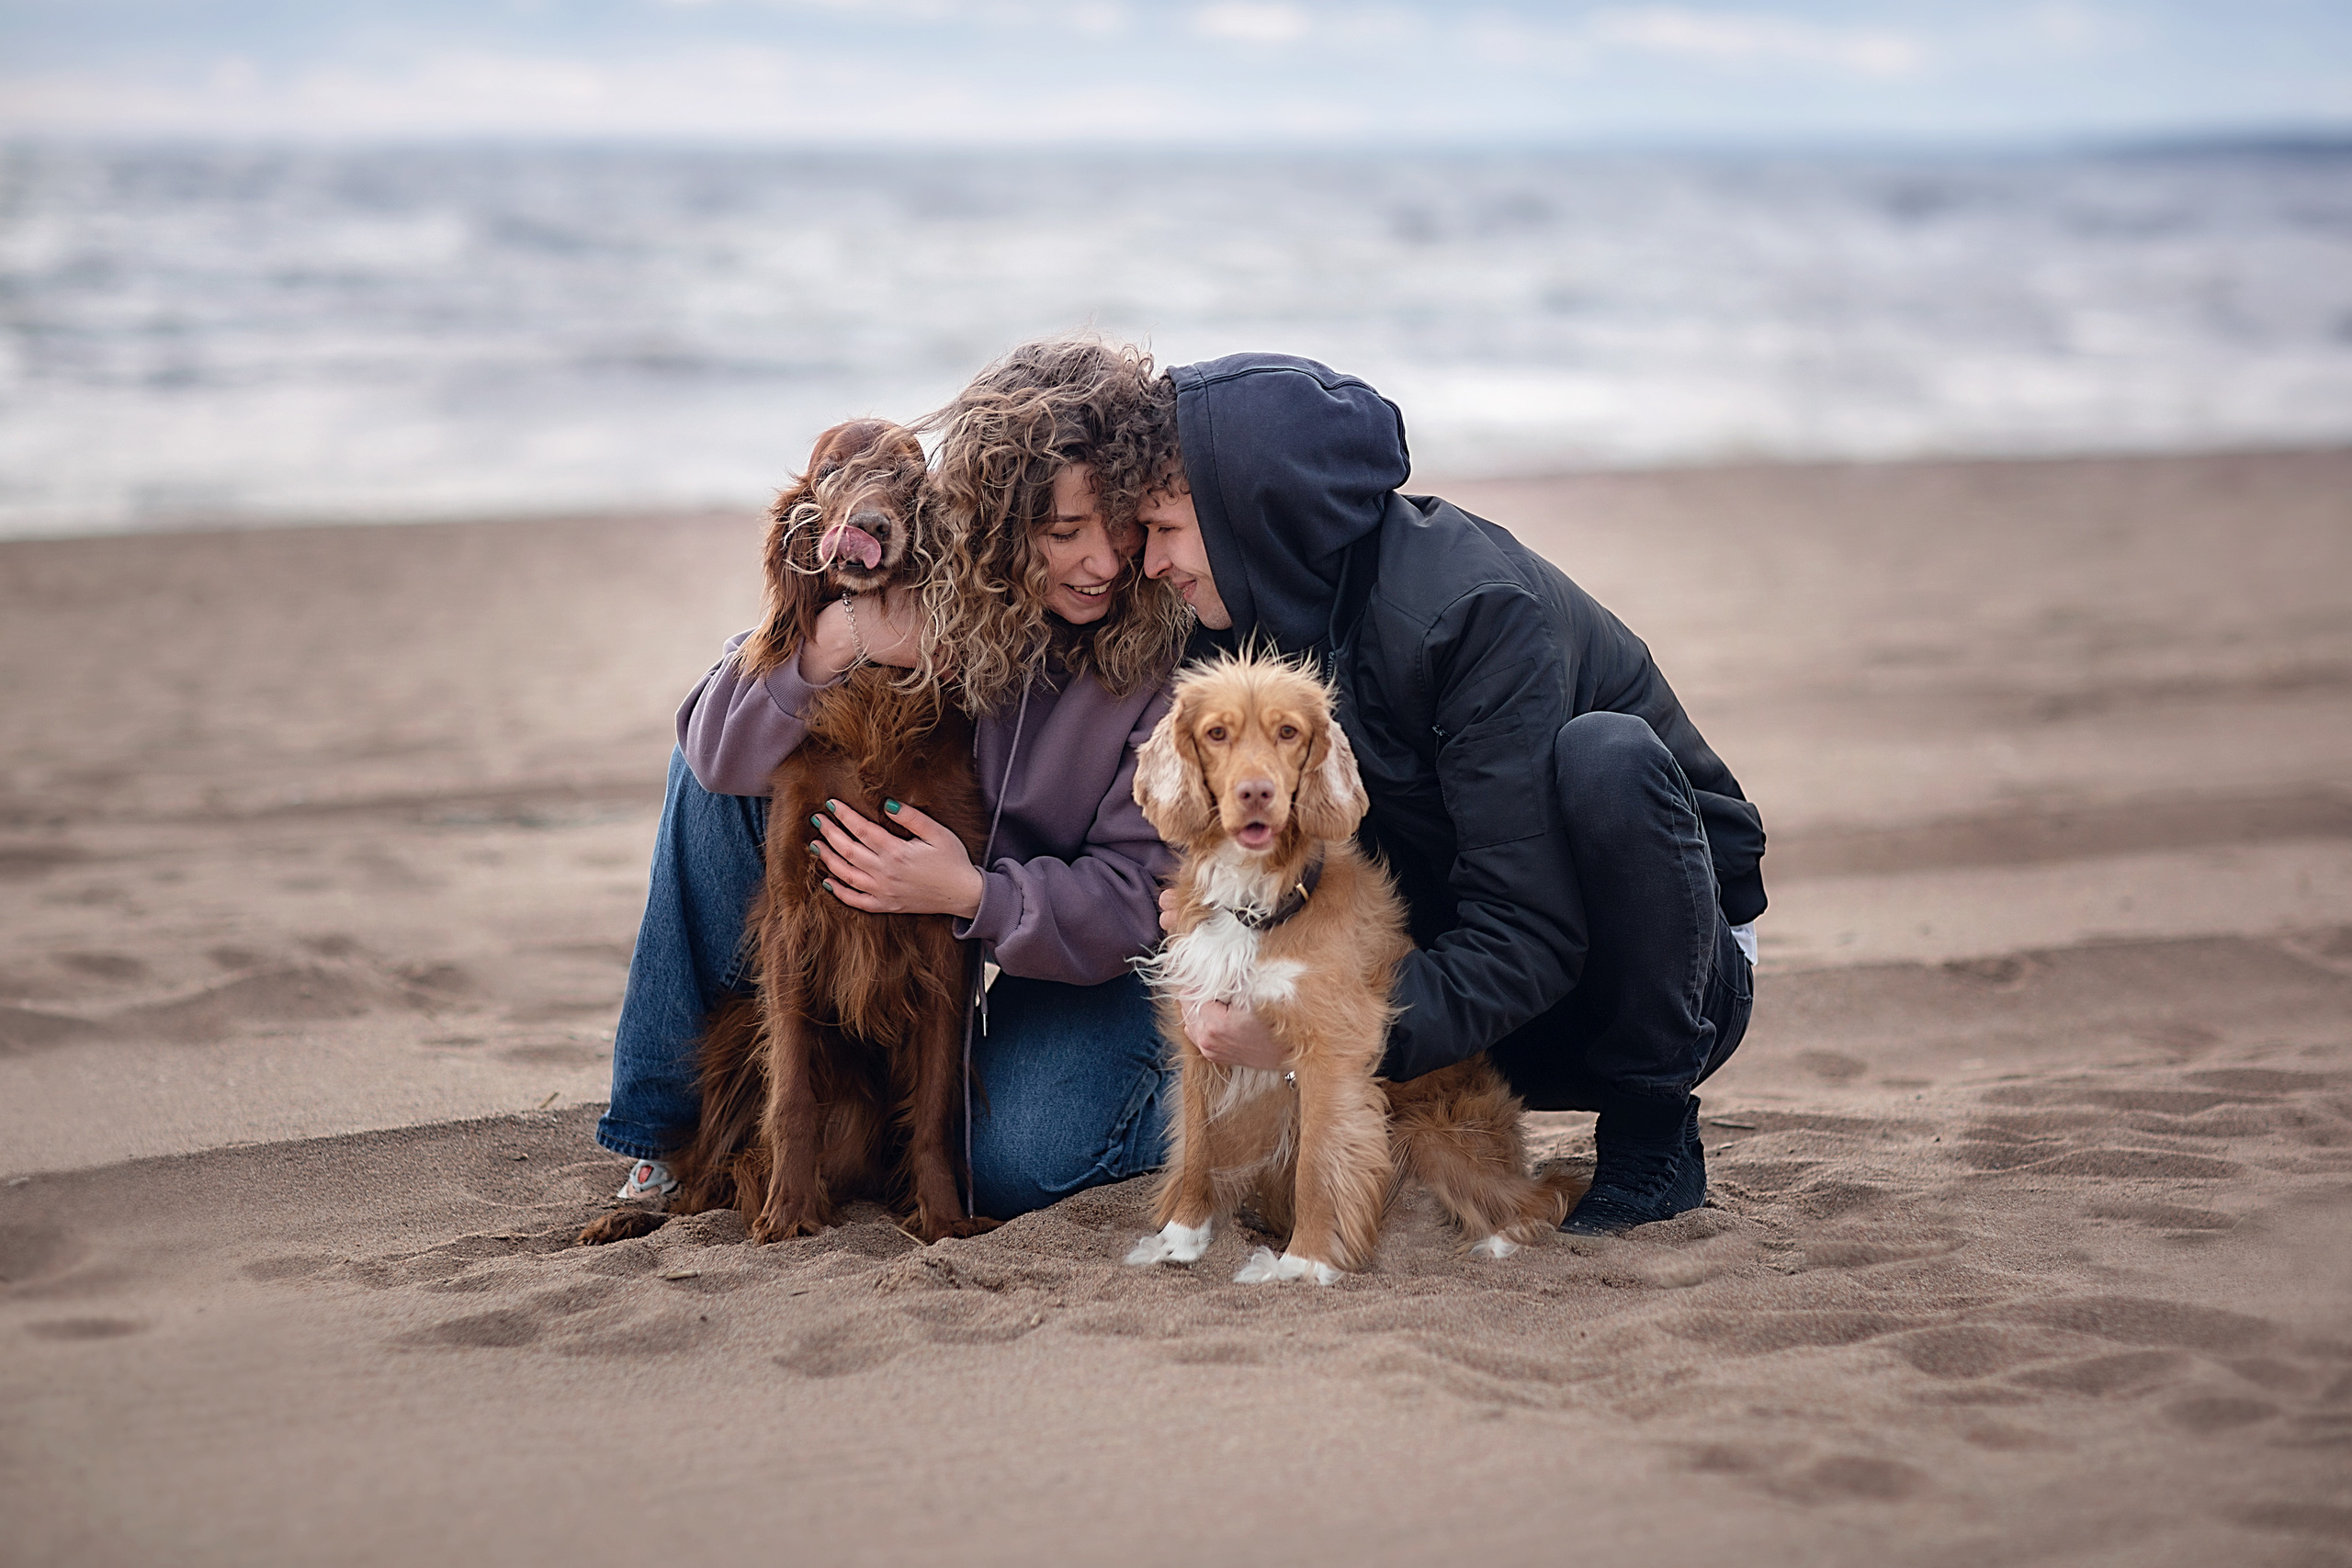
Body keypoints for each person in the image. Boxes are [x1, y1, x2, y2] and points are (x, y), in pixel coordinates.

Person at [1124, 352, 1764, 1235]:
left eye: (1165, 527)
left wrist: (1322, 1035)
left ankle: (1654, 1135)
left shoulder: (1469, 612)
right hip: (1477, 975)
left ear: (1254, 512)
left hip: (1665, 966)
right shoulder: (1244, 628)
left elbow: (1529, 928)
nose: (1150, 561)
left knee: (1606, 759)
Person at [595, 336, 1193, 1220]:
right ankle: (659, 1139)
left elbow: (1138, 892)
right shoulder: (928, 592)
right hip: (937, 929)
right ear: (994, 522)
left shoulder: (1153, 660)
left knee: (1017, 1162)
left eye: (1123, 530)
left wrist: (971, 893)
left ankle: (1229, 1110)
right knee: (725, 767)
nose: (1105, 563)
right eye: (1065, 533)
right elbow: (714, 748)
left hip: (1075, 953)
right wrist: (843, 640)